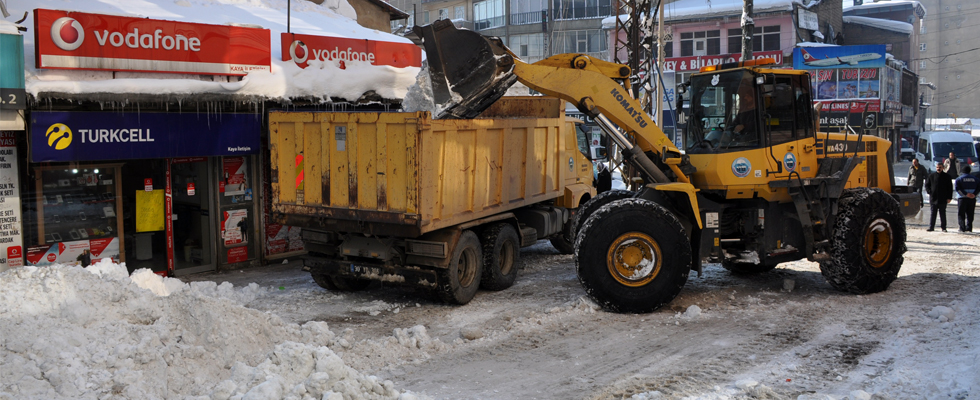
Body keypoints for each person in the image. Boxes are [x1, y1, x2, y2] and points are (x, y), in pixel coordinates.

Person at [925, 162, 954, 232]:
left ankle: (943, 227)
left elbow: (950, 188)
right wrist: (930, 192)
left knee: (942, 213)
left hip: (943, 198)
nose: (939, 168)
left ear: (943, 168)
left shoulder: (947, 177)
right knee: (933, 213)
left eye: (940, 167)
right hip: (934, 198)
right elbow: (927, 185)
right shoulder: (931, 176)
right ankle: (931, 227)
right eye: (937, 167)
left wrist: (949, 197)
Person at [953, 165, 978, 232]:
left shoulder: (959, 179)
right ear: (970, 171)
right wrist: (974, 194)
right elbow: (979, 188)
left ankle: (962, 228)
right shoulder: (975, 179)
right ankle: (969, 228)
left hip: (962, 198)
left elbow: (957, 188)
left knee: (961, 213)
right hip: (972, 198)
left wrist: (965, 194)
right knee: (970, 213)